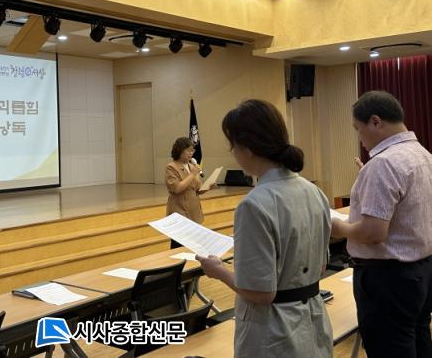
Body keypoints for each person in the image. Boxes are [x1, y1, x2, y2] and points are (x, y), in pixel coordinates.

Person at [197, 99, 333, 357]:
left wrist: (219, 271)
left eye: (232, 145)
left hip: (274, 331)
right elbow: (320, 267)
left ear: (247, 148)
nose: (232, 152)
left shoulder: (254, 204)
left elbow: (259, 292)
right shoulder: (314, 192)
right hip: (313, 319)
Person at [331, 90, 432, 358]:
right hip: (421, 270)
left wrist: (337, 227)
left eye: (358, 128)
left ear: (375, 121)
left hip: (389, 278)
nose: (359, 138)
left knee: (390, 349)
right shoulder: (423, 155)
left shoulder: (384, 163)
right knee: (419, 340)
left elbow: (373, 232)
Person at [165, 137, 214, 249]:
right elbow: (177, 188)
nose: (191, 153)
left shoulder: (192, 166)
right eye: (189, 150)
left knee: (194, 246)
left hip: (194, 211)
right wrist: (192, 174)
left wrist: (208, 187)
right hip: (180, 210)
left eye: (193, 150)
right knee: (179, 246)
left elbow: (196, 190)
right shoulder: (171, 167)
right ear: (180, 150)